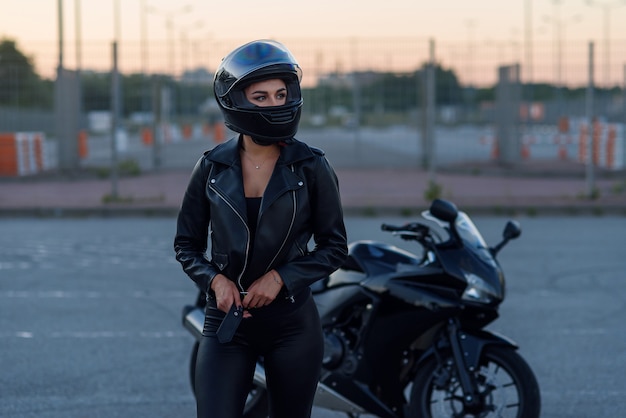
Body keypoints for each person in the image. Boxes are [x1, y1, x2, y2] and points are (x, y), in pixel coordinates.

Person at [174, 39, 348, 418]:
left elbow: (334, 247)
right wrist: (215, 282)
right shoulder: (211, 168)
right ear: (236, 101)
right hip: (226, 324)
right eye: (261, 97)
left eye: (281, 94)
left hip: (293, 325)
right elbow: (186, 245)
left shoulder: (312, 166)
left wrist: (282, 278)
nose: (275, 104)